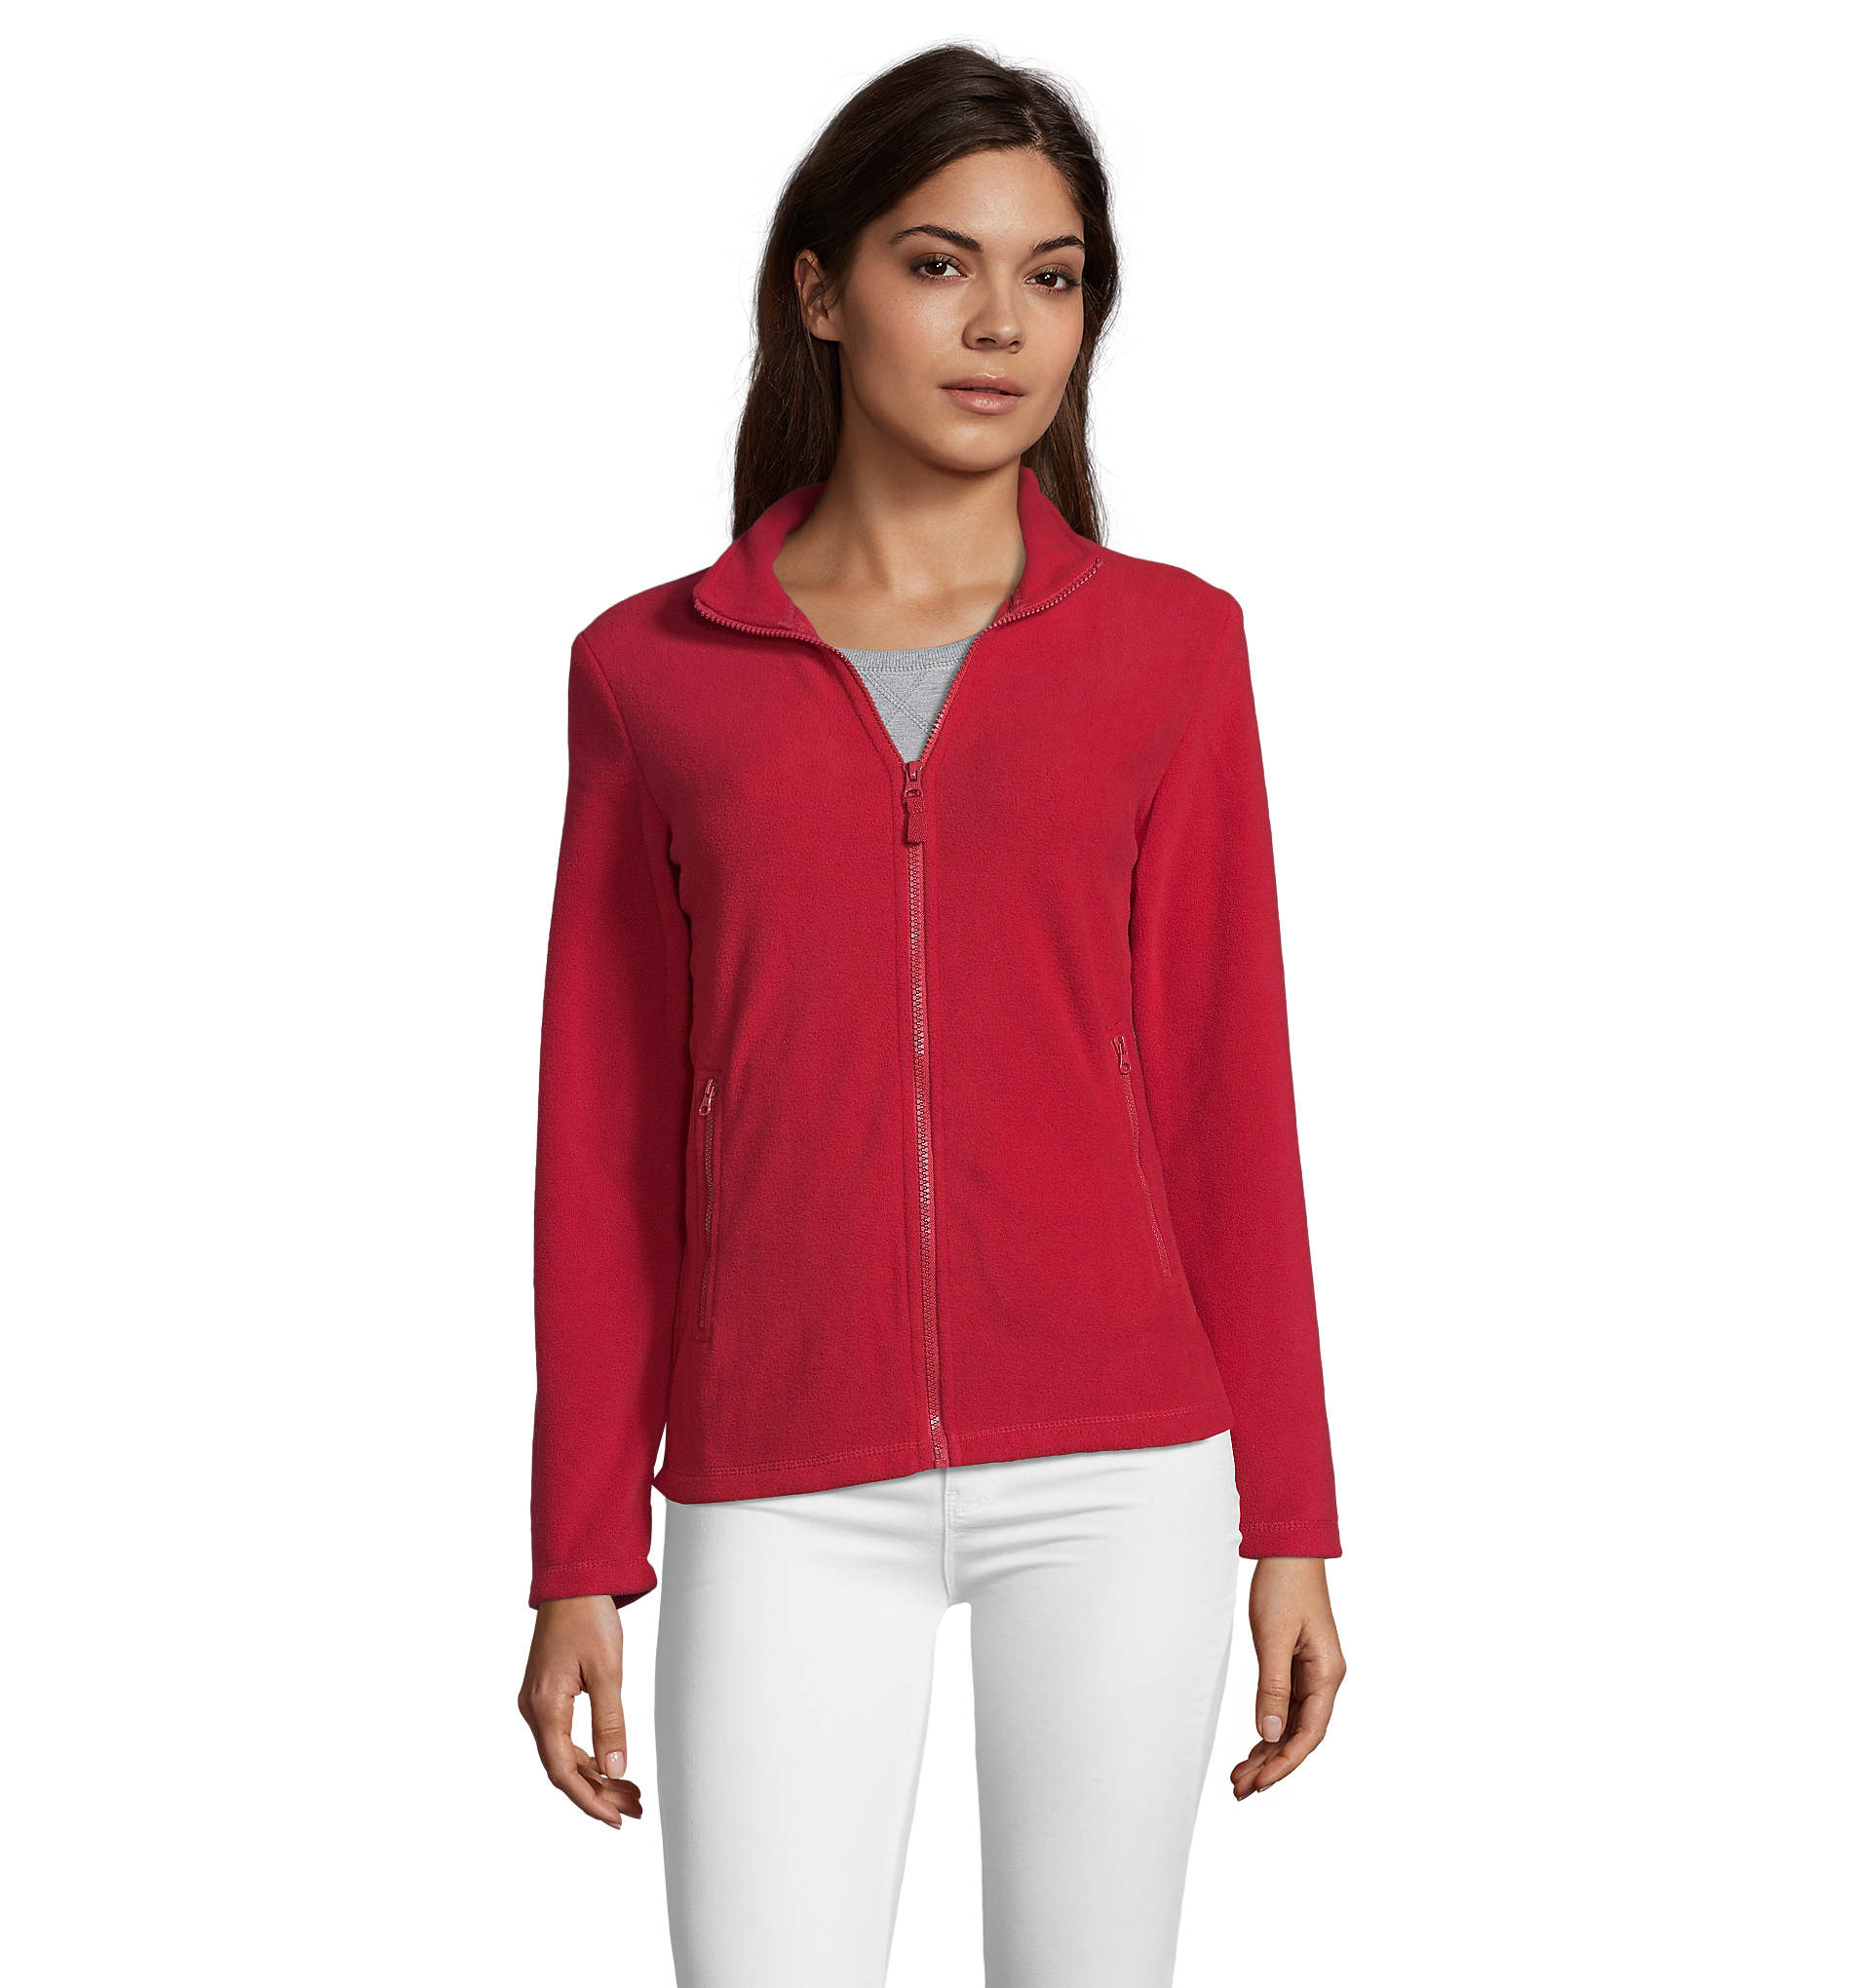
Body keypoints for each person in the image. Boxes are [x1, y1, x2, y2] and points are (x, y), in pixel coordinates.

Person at [517, 41, 1346, 1988]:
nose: (1000, 326)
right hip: (780, 1471)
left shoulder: (1172, 649)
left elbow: (1227, 1091)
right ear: (818, 291)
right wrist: (578, 1553)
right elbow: (604, 1137)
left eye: (1051, 276)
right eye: (936, 263)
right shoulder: (652, 672)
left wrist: (1291, 1516)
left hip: (1123, 1472)